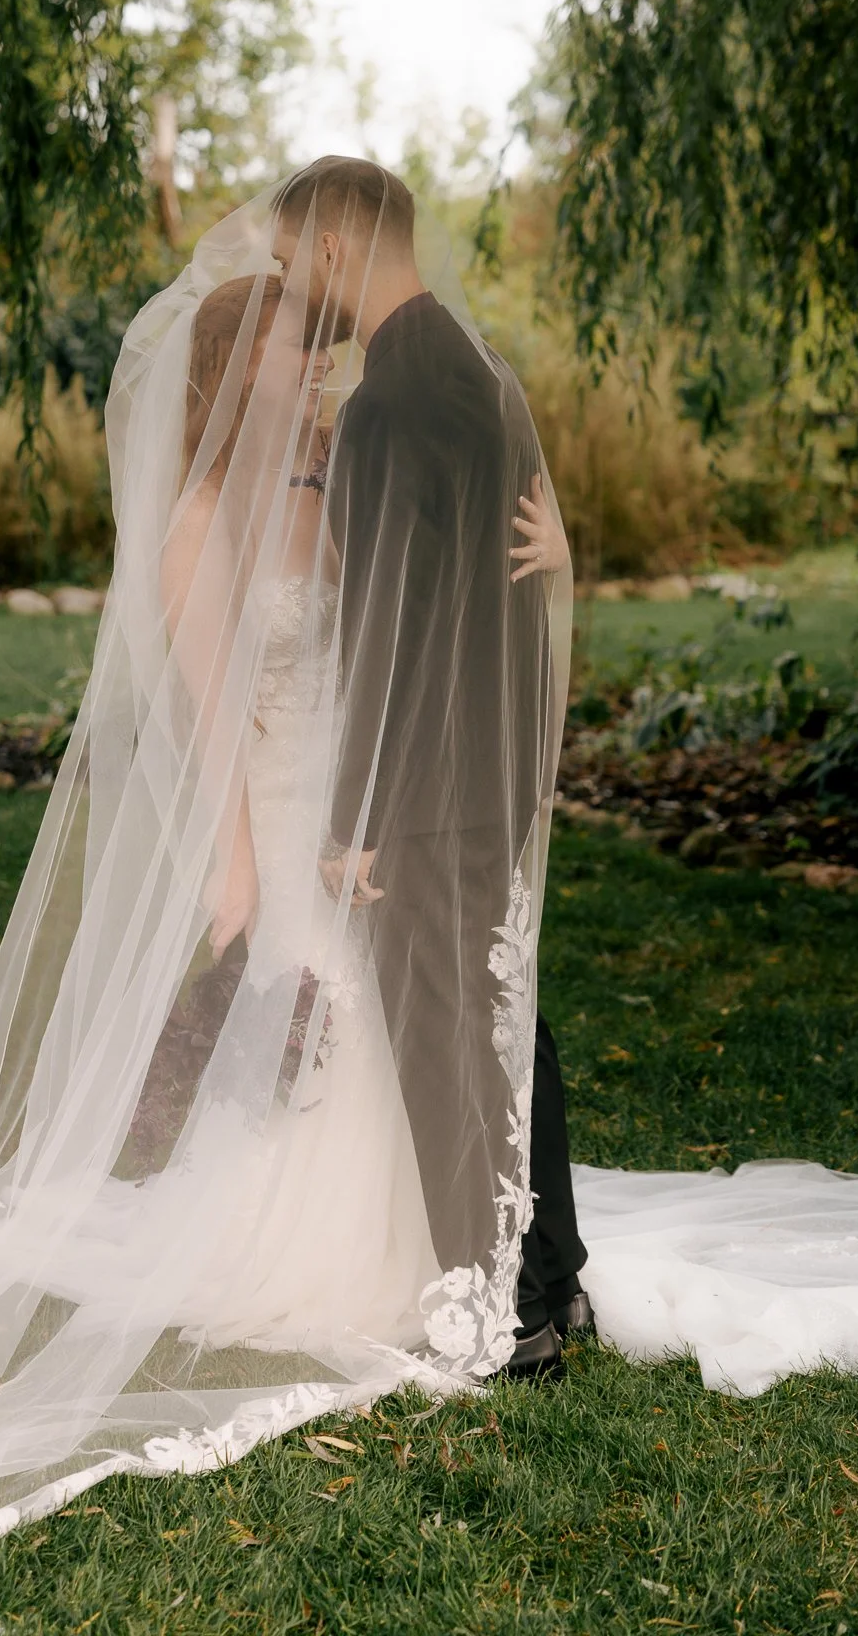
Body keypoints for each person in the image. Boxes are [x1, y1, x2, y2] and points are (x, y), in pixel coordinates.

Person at [0, 169, 858, 1636]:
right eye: (302, 352)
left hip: (372, 823)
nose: (325, 371)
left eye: (324, 346)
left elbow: (422, 629)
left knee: (428, 1038)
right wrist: (246, 871)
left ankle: (483, 1252)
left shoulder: (345, 474)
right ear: (248, 374)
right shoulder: (199, 532)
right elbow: (206, 726)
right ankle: (431, 1261)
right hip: (298, 832)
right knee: (337, 1050)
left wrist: (554, 580)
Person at [270, 156, 587, 1381]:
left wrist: (350, 817)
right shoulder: (482, 374)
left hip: (423, 785)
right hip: (494, 767)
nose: (299, 284)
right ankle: (551, 1273)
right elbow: (511, 584)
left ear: (343, 241)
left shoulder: (383, 405)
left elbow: (381, 636)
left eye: (301, 257)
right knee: (503, 1023)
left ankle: (504, 1321)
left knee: (445, 1045)